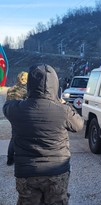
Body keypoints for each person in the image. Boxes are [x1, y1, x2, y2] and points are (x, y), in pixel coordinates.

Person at [3, 64, 84, 205]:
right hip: (57, 171)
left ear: (30, 85)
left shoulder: (16, 109)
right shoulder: (63, 110)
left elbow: (6, 106)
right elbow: (79, 125)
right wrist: (64, 103)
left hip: (26, 172)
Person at [6, 71, 28, 166]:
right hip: (21, 115)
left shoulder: (11, 89)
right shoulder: (26, 90)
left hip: (11, 114)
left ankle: (10, 159)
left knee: (14, 136)